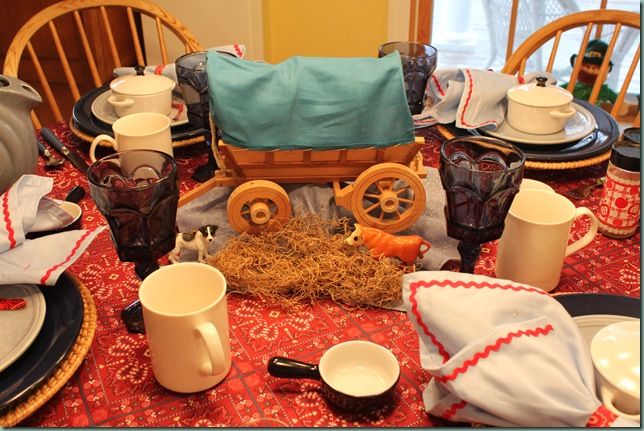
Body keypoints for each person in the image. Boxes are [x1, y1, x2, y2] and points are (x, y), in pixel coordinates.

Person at [559, 39, 618, 107]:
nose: (590, 71)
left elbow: (619, 102)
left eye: (595, 68)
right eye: (587, 67)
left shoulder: (604, 90)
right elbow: (556, 91)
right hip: (570, 110)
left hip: (593, 112)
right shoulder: (571, 85)